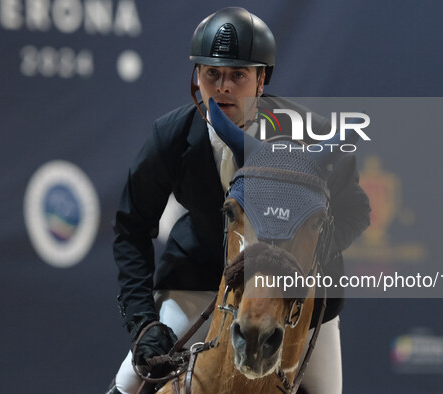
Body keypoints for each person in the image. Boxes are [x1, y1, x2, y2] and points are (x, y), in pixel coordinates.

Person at [108, 7, 371, 394]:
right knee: (131, 382)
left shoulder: (309, 136)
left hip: (290, 295)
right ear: (197, 76)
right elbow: (130, 229)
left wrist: (302, 257)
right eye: (211, 73)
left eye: (238, 75)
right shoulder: (171, 136)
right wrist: (143, 323)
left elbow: (355, 209)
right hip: (199, 284)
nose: (223, 87)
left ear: (261, 80)